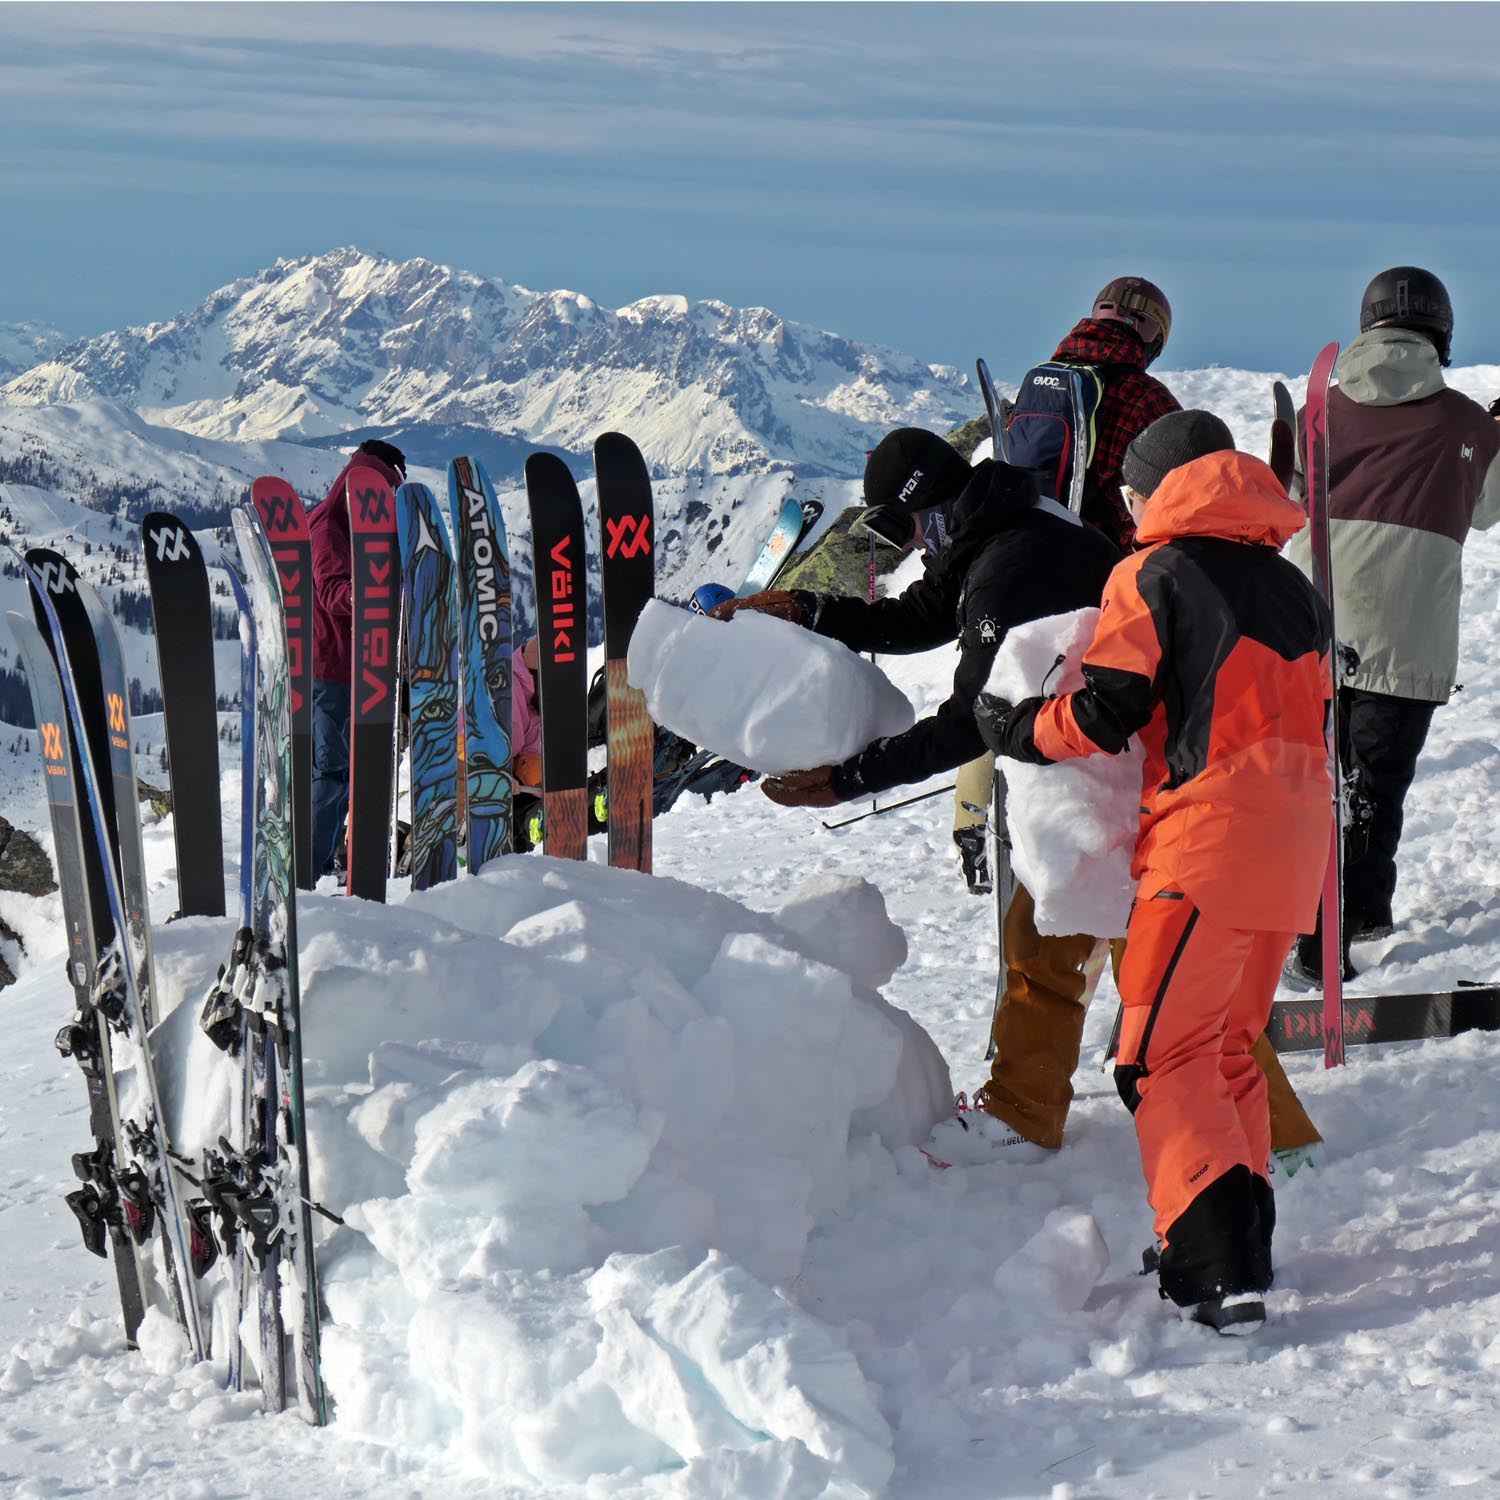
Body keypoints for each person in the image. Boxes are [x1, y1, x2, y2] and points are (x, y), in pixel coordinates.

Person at [975, 410, 1332, 1333]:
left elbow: (1107, 709)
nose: (1129, 510)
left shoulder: (1154, 571)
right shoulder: (1293, 585)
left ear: (1156, 490)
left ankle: (1214, 1269)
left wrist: (1019, 730)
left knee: (1157, 1056)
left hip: (1209, 840)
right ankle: (1233, 1243)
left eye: (1132, 494)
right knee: (1224, 1048)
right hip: (1298, 842)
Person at [1285, 267, 1500, 983]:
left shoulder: (1317, 411)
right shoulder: (1466, 424)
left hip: (1311, 628)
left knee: (1310, 784)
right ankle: (1349, 925)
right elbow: (1488, 509)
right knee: (1373, 787)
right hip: (1406, 634)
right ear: (1441, 334)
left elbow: (1287, 502)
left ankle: (1311, 919)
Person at [953, 277, 1182, 890]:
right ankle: (1076, 855)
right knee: (1079, 710)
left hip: (1020, 563)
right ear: (1154, 336)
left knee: (1002, 687)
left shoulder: (1041, 383)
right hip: (1097, 573)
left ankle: (975, 816)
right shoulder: (1148, 399)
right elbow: (1165, 502)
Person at [308, 438, 406, 875]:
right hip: (331, 668)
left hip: (354, 666)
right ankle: (310, 868)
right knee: (333, 773)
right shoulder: (329, 525)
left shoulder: (345, 523)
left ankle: (323, 859)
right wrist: (371, 594)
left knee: (347, 772)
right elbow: (331, 591)